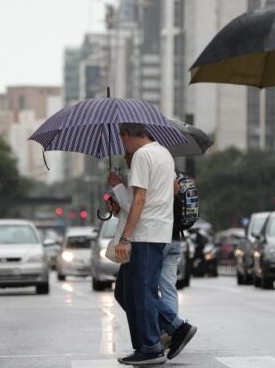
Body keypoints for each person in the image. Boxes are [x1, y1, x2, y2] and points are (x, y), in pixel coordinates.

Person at [112, 123, 176, 366]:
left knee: (142, 291)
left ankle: (151, 345)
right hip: (156, 230)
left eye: (122, 138)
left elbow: (139, 198)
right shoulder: (164, 153)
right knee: (128, 290)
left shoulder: (141, 155)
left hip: (145, 232)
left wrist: (125, 238)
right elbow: (172, 189)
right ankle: (161, 334)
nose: (122, 145)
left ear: (127, 135)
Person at [157, 175, 197, 359]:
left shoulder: (156, 173)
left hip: (158, 238)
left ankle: (173, 328)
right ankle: (169, 333)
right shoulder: (177, 176)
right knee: (169, 288)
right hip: (175, 239)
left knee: (146, 289)